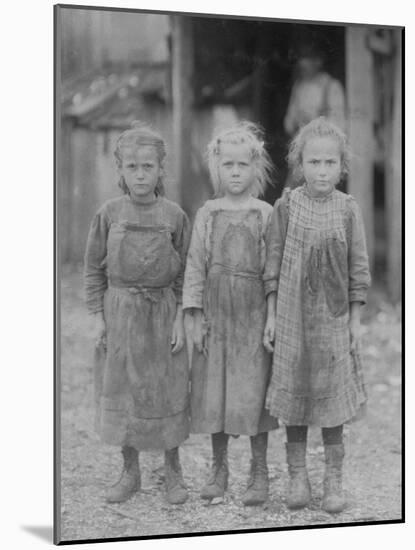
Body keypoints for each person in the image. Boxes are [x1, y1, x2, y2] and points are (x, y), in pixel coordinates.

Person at [263, 117, 371, 514]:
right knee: (295, 394)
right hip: (292, 317)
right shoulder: (287, 205)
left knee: (330, 401)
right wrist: (272, 314)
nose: (321, 171)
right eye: (314, 162)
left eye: (329, 163)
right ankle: (296, 476)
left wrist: (355, 324)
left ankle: (332, 479)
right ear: (300, 164)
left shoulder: (348, 209)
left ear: (341, 166)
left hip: (332, 320)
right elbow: (272, 262)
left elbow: (358, 271)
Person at [84, 121, 191, 505]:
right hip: (121, 313)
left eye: (149, 166)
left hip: (162, 314)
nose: (141, 174)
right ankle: (130, 472)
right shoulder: (109, 213)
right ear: (120, 170)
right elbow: (93, 269)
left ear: (162, 169)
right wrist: (99, 316)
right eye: (132, 167)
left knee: (167, 388)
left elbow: (186, 276)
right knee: (123, 390)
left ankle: (173, 471)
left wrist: (180, 317)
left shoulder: (175, 215)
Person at [183, 121, 279, 506]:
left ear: (256, 168)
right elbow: (194, 265)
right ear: (216, 168)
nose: (235, 172)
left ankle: (259, 471)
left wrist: (271, 316)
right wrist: (194, 316)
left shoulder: (266, 213)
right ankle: (218, 468)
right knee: (214, 391)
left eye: (242, 165)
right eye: (228, 165)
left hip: (253, 315)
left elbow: (272, 270)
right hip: (216, 315)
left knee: (254, 391)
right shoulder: (207, 212)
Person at [284, 45, 346, 139]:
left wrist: (315, 124)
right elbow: (288, 122)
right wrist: (296, 122)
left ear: (318, 61)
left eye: (307, 58)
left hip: (324, 144)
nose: (302, 63)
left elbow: (340, 124)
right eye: (301, 58)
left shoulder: (332, 86)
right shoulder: (299, 86)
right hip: (302, 144)